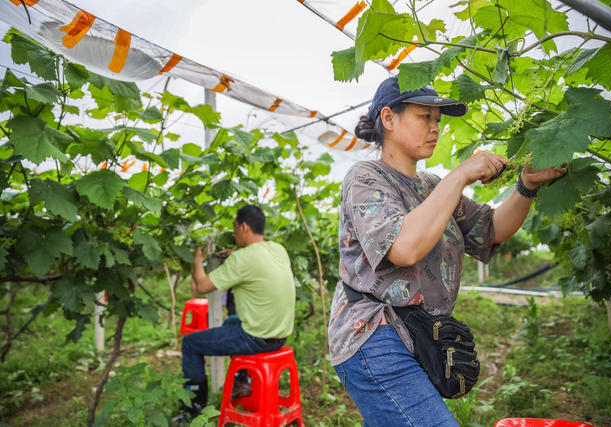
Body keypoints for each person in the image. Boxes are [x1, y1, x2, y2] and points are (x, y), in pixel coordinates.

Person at [328, 76, 566, 426]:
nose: (435, 127)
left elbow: (492, 229)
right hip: (373, 334)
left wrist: (526, 186)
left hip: (418, 336)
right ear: (388, 119)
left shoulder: (431, 187)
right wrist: (460, 176)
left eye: (438, 120)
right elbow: (403, 248)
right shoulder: (365, 178)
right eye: (425, 117)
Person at [175, 204, 296, 421]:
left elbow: (202, 286)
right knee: (230, 323)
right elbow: (255, 261)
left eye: (234, 227)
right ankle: (243, 380)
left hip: (257, 338)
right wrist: (237, 254)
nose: (233, 232)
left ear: (243, 227)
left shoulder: (241, 260)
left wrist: (196, 258)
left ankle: (194, 409)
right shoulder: (278, 249)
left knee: (190, 343)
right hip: (280, 335)